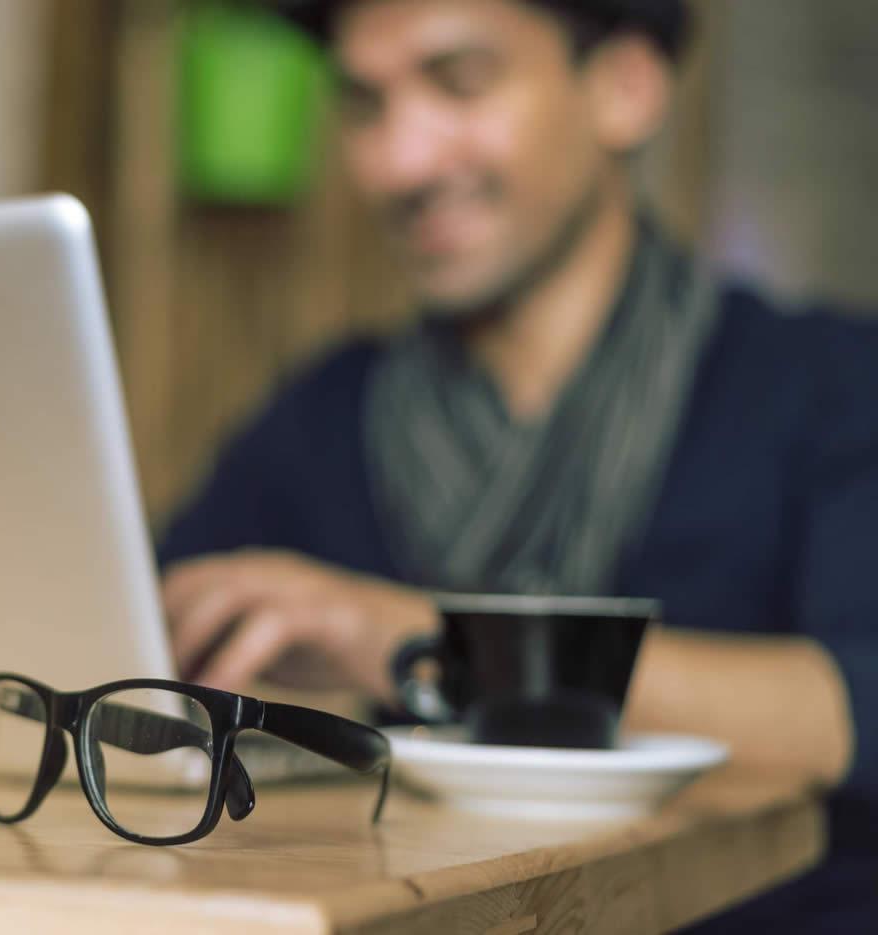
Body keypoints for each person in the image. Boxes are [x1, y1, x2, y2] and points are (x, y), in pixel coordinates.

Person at [157, 1, 877, 930]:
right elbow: (146, 638)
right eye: (366, 104)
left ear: (624, 88)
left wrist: (407, 640)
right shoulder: (323, 415)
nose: (398, 162)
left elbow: (859, 705)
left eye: (460, 82)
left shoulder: (825, 385)